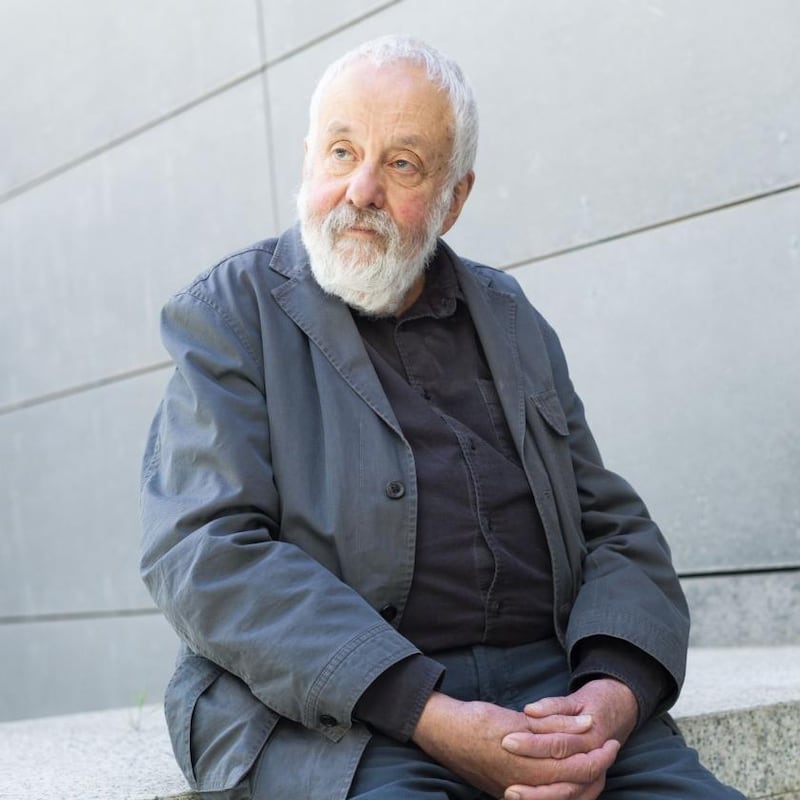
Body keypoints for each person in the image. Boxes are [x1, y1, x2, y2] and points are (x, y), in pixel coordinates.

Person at [140, 35, 744, 800]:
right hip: (339, 714)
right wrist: (426, 710)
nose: (360, 189)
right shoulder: (229, 315)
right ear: (308, 161)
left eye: (401, 164)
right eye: (340, 151)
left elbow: (615, 531)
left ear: (455, 198)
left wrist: (609, 698)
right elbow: (204, 552)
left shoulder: (511, 317)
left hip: (552, 685)